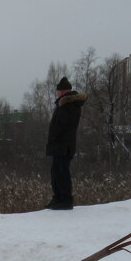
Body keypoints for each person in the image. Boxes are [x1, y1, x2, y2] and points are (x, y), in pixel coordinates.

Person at [44, 76, 87, 210]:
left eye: (58, 91)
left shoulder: (67, 105)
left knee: (61, 171)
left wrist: (53, 137)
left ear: (62, 91)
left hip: (63, 145)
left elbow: (60, 125)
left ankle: (65, 199)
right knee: (56, 171)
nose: (57, 93)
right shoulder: (66, 104)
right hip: (61, 145)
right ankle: (58, 198)